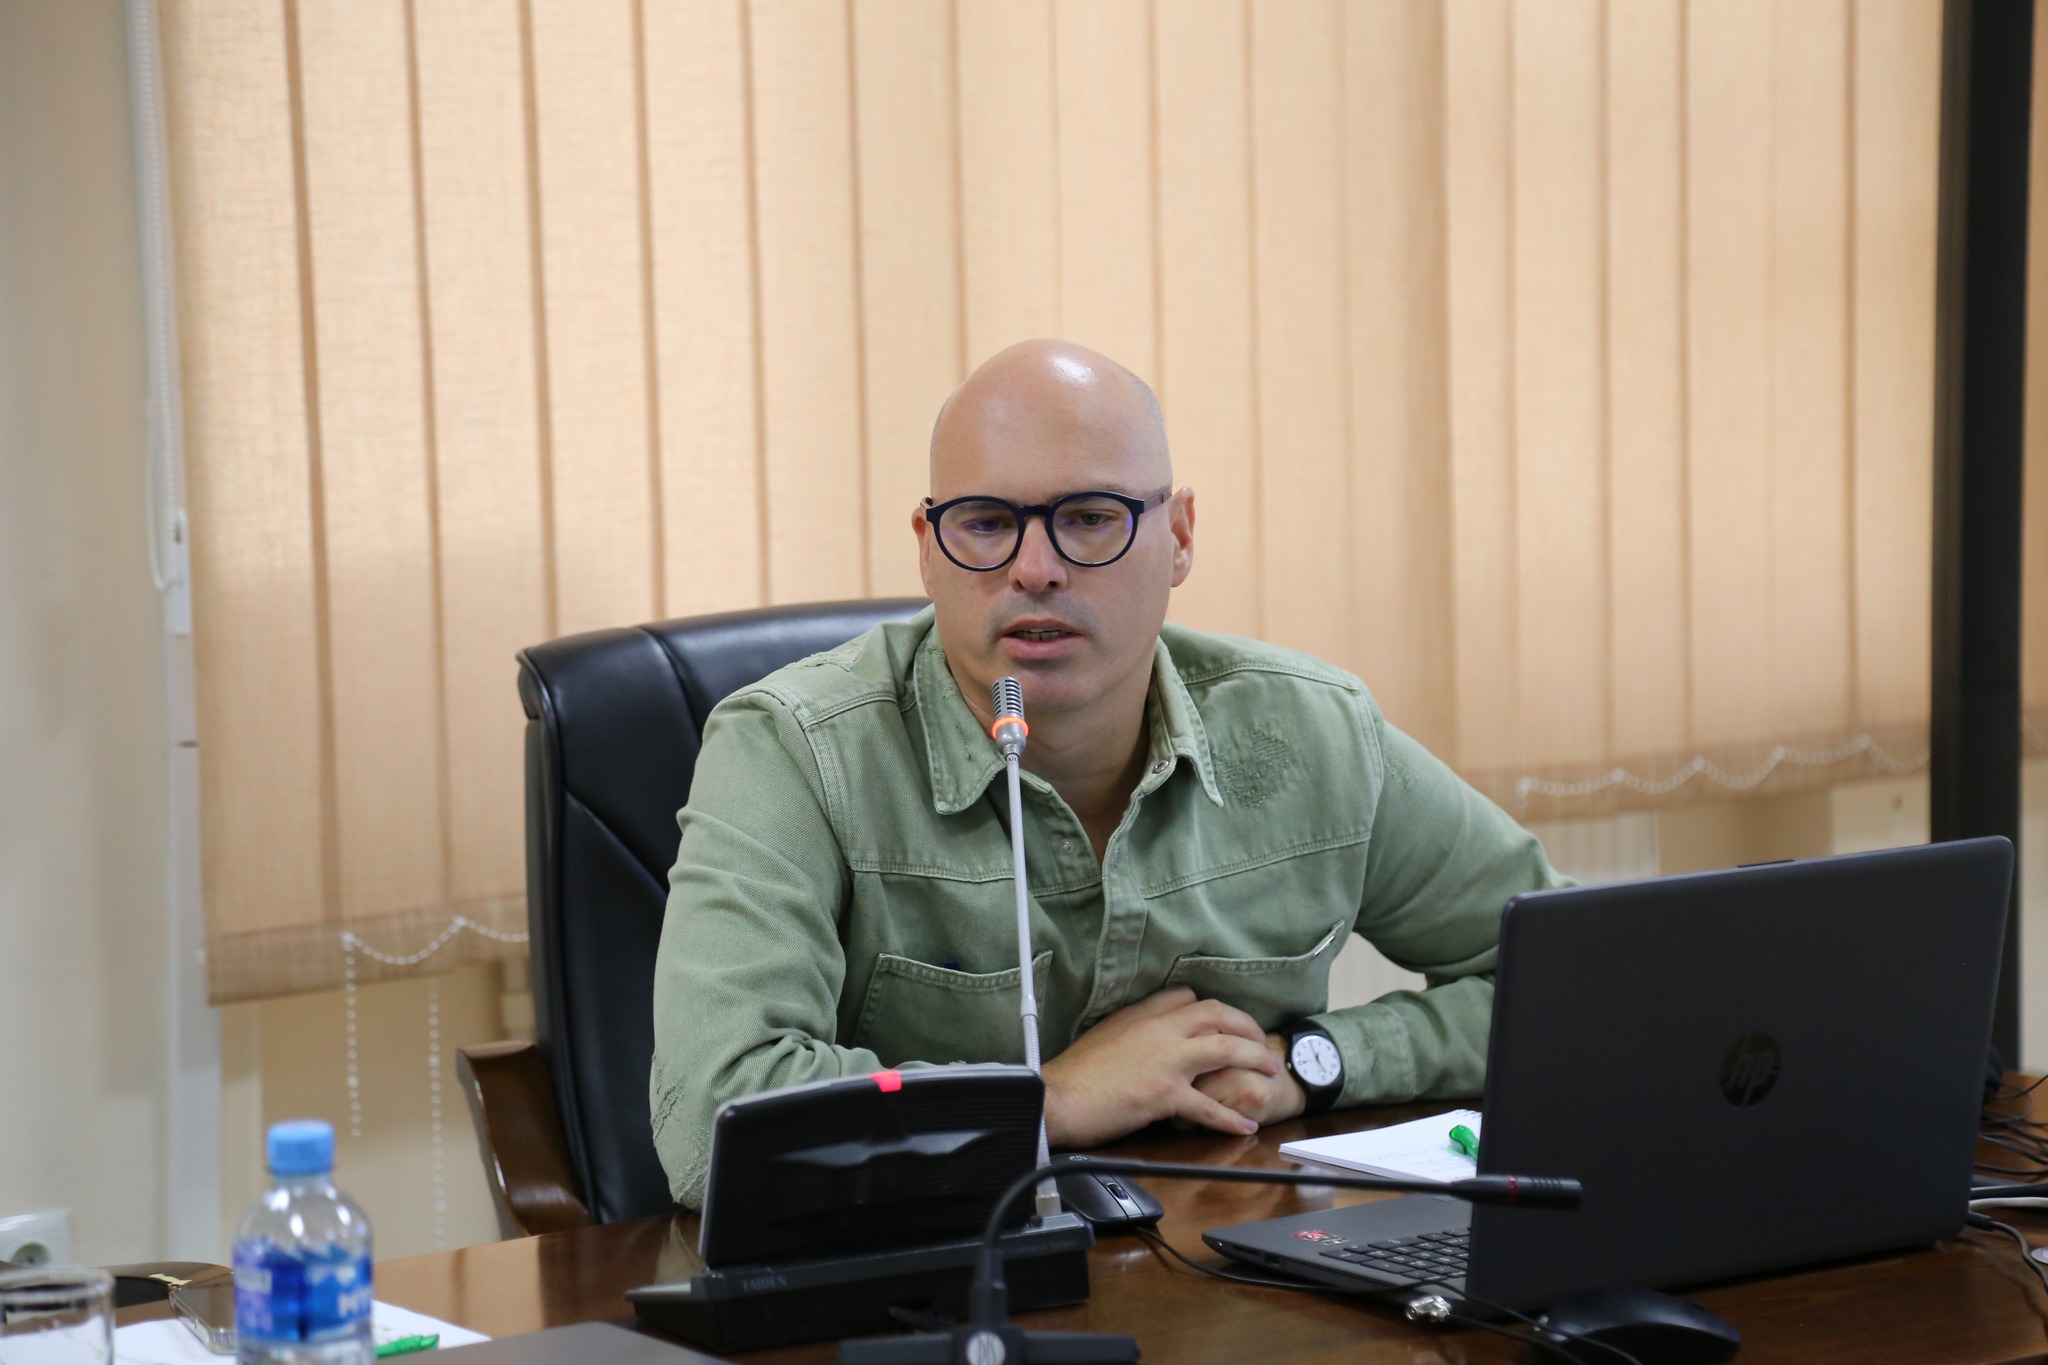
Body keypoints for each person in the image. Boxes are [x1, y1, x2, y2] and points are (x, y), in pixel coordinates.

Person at [649, 339, 1566, 1209]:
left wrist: (1317, 1061)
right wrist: (1050, 1100)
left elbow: (1574, 984)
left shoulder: (1312, 732)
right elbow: (710, 1124)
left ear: (1180, 535)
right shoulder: (793, 751)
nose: (1035, 569)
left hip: (1235, 1262)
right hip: (926, 1277)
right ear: (927, 547)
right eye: (986, 522)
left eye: (1089, 518)